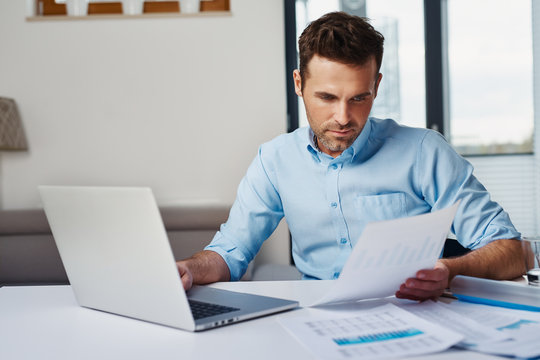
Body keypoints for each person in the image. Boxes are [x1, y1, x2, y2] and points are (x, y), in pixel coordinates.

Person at [177, 11, 524, 301]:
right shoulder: (274, 160)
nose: (343, 117)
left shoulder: (424, 152)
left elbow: (510, 251)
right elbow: (230, 251)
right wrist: (189, 269)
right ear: (298, 84)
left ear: (377, 85)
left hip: (413, 315)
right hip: (315, 320)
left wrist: (450, 270)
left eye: (359, 98)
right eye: (327, 97)